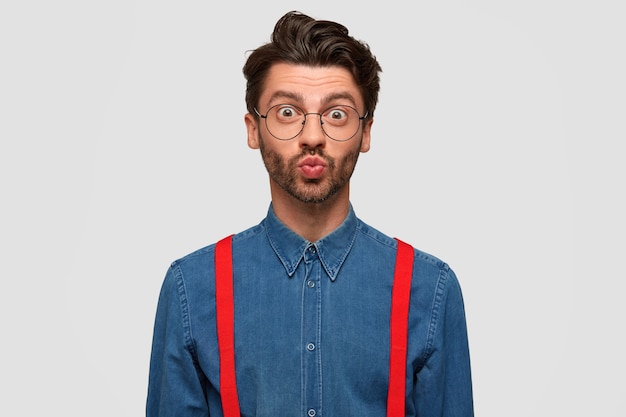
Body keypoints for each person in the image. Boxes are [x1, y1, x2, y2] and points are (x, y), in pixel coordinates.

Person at [146, 10, 473, 417]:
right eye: (287, 112)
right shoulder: (191, 288)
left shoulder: (430, 289)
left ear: (366, 131)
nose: (313, 136)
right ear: (253, 129)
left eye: (337, 114)